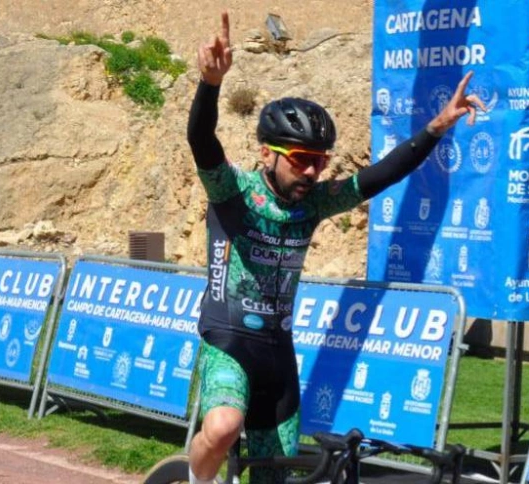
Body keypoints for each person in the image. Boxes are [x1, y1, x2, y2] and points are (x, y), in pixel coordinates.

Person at [185, 12, 485, 484]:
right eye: (302, 160)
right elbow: (202, 140)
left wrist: (436, 127)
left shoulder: (316, 203)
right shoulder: (232, 190)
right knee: (223, 428)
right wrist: (210, 83)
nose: (311, 172)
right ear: (267, 153)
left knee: (276, 476)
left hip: (277, 354)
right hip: (228, 343)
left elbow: (381, 175)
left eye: (320, 162)